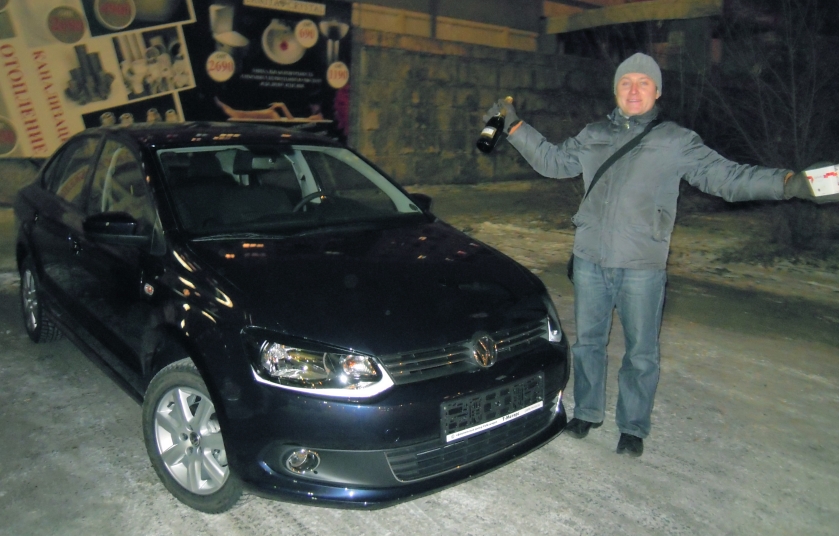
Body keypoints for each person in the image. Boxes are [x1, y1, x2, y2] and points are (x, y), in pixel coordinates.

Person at [482, 52, 832, 457]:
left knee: (641, 353)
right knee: (588, 344)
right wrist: (515, 126)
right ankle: (588, 412)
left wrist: (788, 183)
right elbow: (553, 162)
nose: (634, 90)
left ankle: (632, 426)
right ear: (616, 90)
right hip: (591, 259)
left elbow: (728, 178)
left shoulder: (675, 141)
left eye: (643, 82)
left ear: (657, 91)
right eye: (626, 82)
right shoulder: (594, 134)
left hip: (642, 267)